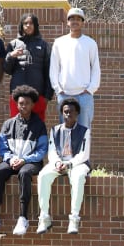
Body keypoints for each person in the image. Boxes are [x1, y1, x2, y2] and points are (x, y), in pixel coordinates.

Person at [0, 85, 49, 235]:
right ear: (16, 104)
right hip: (12, 161)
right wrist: (11, 159)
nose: (24, 106)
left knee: (25, 174)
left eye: (27, 103)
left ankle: (23, 218)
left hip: (31, 163)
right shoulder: (8, 124)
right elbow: (2, 147)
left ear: (33, 104)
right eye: (21, 103)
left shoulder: (39, 125)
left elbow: (42, 150)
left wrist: (24, 160)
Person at [37, 97, 91, 235]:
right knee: (43, 175)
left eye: (71, 112)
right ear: (61, 113)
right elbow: (52, 151)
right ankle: (44, 218)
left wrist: (69, 164)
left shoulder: (84, 131)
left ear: (77, 113)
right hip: (59, 163)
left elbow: (84, 154)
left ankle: (74, 218)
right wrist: (57, 163)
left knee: (78, 177)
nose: (68, 115)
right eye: (65, 112)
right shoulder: (55, 130)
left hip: (77, 164)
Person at [49, 7, 101, 130]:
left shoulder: (90, 43)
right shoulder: (59, 43)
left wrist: (90, 89)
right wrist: (58, 89)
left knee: (84, 132)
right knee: (65, 131)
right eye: (72, 19)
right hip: (64, 94)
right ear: (67, 22)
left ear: (82, 22)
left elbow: (95, 68)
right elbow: (54, 68)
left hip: (85, 95)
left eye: (78, 19)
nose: (75, 21)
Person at [4, 12, 53, 122]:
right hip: (17, 95)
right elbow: (7, 69)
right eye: (25, 23)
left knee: (37, 126)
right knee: (16, 125)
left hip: (38, 95)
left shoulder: (44, 45)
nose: (28, 26)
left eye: (31, 23)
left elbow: (49, 71)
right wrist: (11, 56)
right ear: (21, 26)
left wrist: (47, 96)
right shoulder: (13, 44)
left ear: (35, 25)